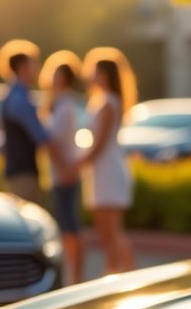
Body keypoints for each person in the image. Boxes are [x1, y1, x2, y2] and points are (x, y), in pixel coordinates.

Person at [78, 48, 136, 274]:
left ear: (104, 74)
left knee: (112, 231)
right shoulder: (101, 101)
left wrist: (77, 165)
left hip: (108, 171)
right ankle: (114, 273)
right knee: (106, 231)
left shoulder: (108, 103)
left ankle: (123, 275)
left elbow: (99, 144)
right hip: (102, 171)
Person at [40, 50, 85, 284]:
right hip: (60, 172)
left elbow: (56, 142)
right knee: (65, 226)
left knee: (70, 227)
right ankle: (73, 274)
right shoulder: (55, 103)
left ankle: (76, 276)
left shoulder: (66, 105)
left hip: (66, 172)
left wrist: (66, 169)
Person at [0, 39, 55, 205]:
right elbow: (41, 136)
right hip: (23, 174)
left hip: (17, 171)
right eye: (33, 63)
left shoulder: (14, 94)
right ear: (22, 67)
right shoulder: (20, 99)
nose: (37, 68)